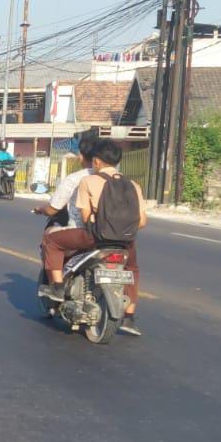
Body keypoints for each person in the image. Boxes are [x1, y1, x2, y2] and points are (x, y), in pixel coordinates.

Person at [40, 137, 146, 335]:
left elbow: (86, 216)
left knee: (51, 240)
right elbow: (142, 221)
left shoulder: (88, 181)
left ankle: (56, 286)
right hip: (125, 240)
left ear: (96, 161)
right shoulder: (133, 185)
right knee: (132, 269)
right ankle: (130, 317)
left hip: (95, 237)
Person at [33, 134, 98, 233]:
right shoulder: (109, 178)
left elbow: (52, 209)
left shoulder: (74, 179)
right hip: (107, 231)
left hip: (79, 230)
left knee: (50, 235)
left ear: (81, 156)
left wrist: (41, 209)